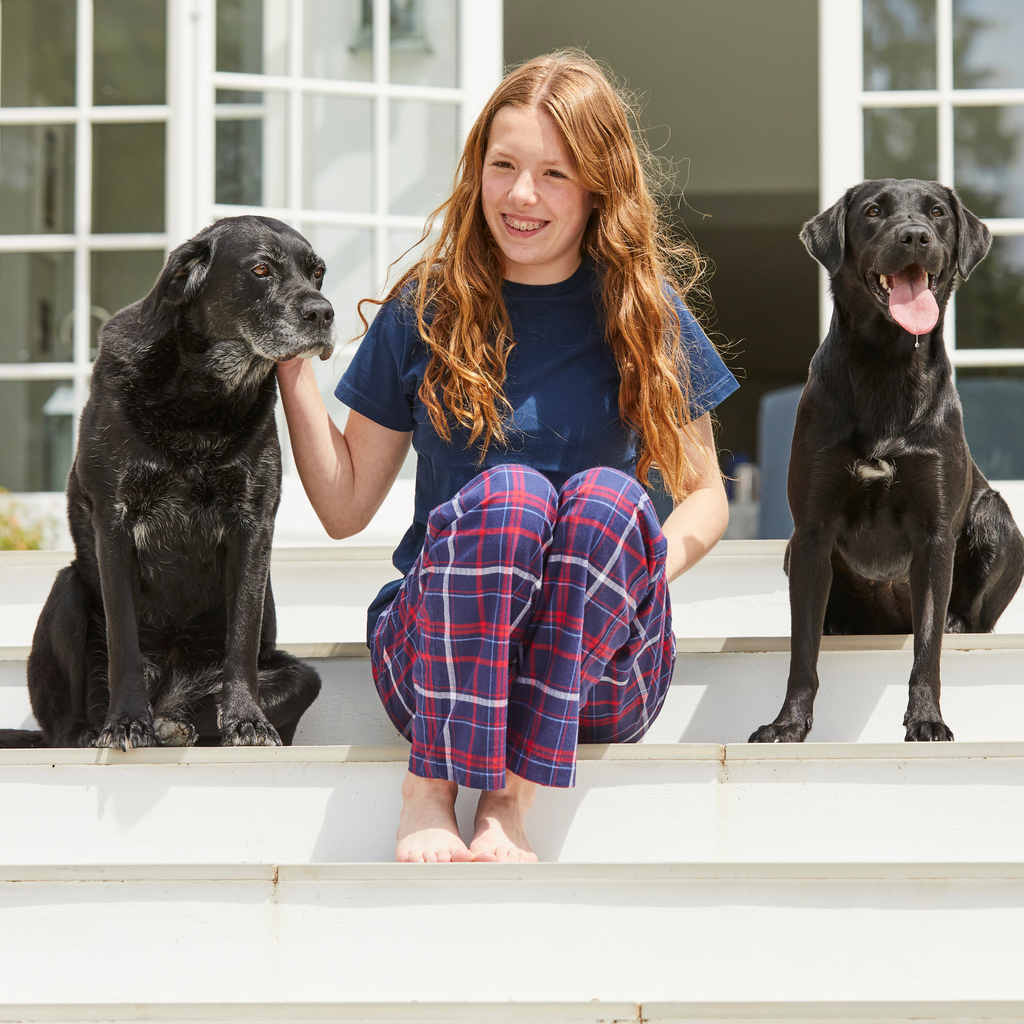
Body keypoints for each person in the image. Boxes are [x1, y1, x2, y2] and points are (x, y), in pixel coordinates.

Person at [277, 50, 738, 863]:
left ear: (598, 186)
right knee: (514, 494)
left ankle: (509, 800)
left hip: (599, 665)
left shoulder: (644, 312)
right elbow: (345, 508)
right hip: (440, 660)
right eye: (504, 165)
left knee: (607, 503)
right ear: (477, 170)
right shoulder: (427, 308)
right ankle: (429, 789)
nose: (522, 195)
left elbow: (706, 496)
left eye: (554, 174)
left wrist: (638, 573)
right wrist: (289, 366)